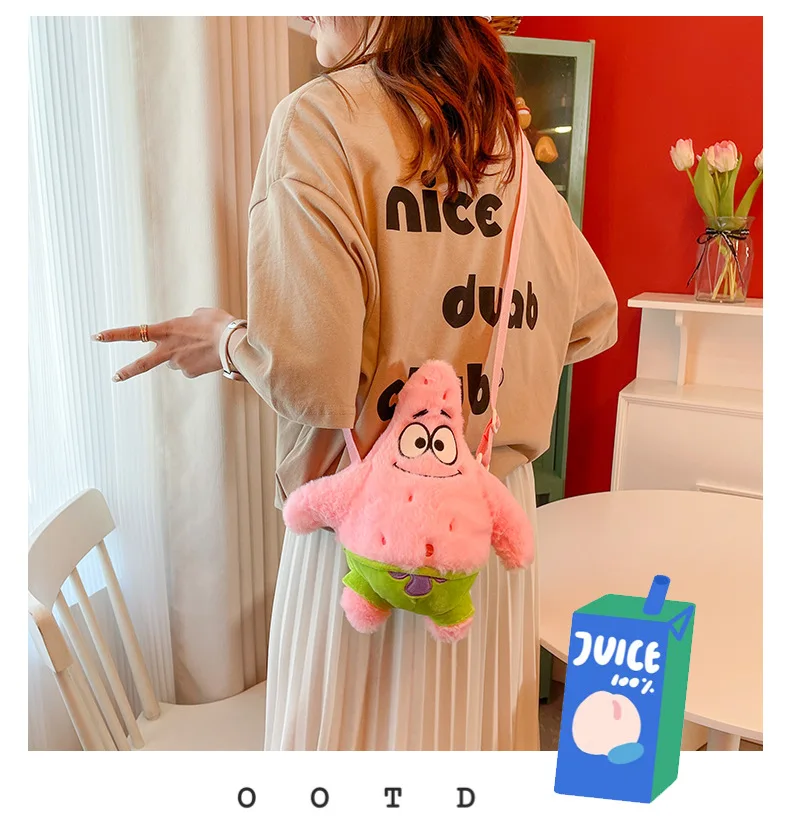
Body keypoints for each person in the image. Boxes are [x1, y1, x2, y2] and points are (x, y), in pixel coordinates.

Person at [94, 16, 617, 751]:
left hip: (365, 525)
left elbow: (313, 377)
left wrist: (226, 342)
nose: (294, 13)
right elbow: (592, 319)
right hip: (483, 535)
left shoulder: (321, 121)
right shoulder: (503, 143)